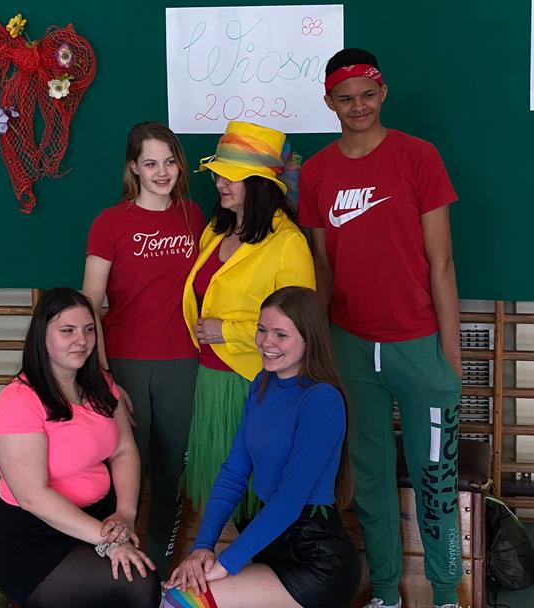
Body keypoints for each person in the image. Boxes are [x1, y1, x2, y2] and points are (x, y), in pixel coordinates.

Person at [298, 48, 462, 608]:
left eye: (368, 95)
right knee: (369, 476)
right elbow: (323, 267)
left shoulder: (418, 157)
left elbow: (442, 262)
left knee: (435, 475)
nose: (358, 106)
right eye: (345, 98)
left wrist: (450, 352)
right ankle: (387, 593)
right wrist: (321, 347)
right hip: (349, 345)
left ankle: (446, 594)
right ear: (329, 102)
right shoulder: (317, 172)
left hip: (419, 345)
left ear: (383, 93)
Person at [164, 286, 360, 608]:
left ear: (309, 339)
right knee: (179, 592)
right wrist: (202, 547)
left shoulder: (322, 399)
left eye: (280, 334)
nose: (266, 342)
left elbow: (290, 499)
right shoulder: (261, 384)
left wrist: (226, 563)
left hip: (315, 561)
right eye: (262, 329)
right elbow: (233, 474)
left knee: (180, 601)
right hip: (271, 547)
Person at [83, 121, 206, 580]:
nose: (162, 172)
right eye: (150, 163)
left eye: (170, 162)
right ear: (133, 167)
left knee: (171, 472)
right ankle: (113, 570)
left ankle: (158, 571)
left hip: (184, 362)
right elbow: (91, 301)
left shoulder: (194, 216)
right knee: (121, 469)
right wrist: (103, 375)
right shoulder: (110, 222)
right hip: (126, 363)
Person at [0, 287, 161, 608]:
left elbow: (123, 450)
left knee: (135, 581)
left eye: (89, 330)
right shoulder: (18, 400)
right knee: (137, 585)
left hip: (98, 517)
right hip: (34, 536)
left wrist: (125, 513)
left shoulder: (101, 385)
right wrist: (109, 542)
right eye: (67, 330)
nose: (81, 340)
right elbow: (32, 496)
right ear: (42, 335)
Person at [180, 120, 316, 525]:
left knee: (256, 499)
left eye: (232, 176)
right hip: (211, 379)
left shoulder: (287, 242)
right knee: (224, 496)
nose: (220, 182)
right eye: (219, 173)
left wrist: (228, 331)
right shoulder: (215, 230)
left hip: (256, 383)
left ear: (258, 184)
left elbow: (300, 325)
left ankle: (262, 564)